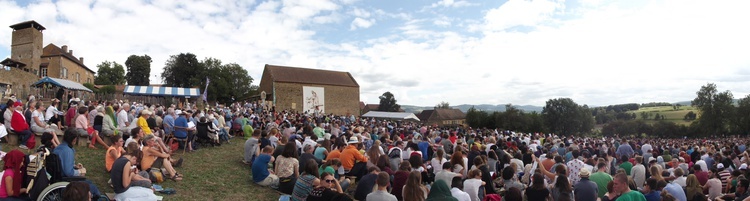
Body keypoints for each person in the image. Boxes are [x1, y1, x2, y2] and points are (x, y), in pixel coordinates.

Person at [53, 129, 102, 199]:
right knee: (93, 188)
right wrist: (80, 172)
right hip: (66, 180)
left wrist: (74, 166)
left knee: (89, 182)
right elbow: (68, 172)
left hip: (58, 178)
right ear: (74, 140)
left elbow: (63, 163)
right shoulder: (68, 151)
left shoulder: (58, 148)